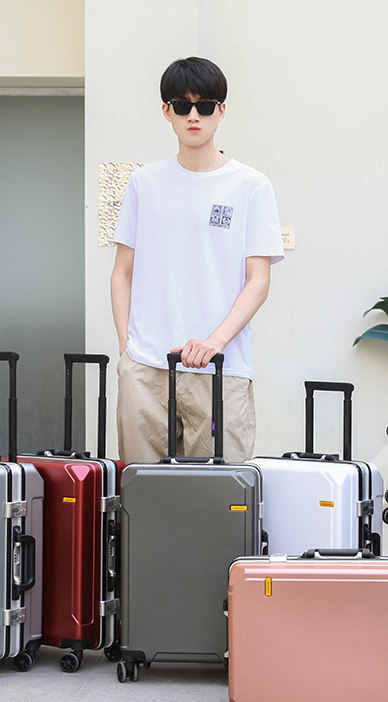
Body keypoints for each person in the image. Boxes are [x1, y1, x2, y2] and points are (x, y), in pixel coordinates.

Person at [110, 56, 284, 464]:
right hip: (146, 366)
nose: (194, 116)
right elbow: (121, 273)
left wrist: (214, 342)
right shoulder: (143, 183)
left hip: (221, 365)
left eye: (204, 106)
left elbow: (258, 280)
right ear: (166, 111)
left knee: (218, 492)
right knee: (144, 489)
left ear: (221, 111)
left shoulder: (251, 185)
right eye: (182, 105)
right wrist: (126, 349)